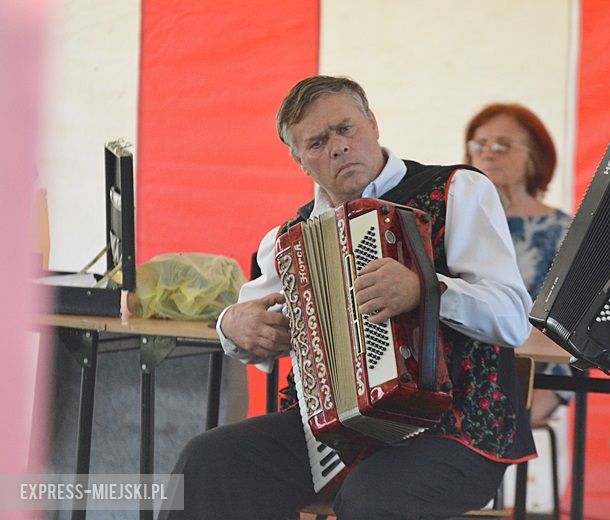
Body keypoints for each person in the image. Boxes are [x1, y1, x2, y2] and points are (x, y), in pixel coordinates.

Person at [158, 76, 536, 520]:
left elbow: (512, 317)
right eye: (317, 142)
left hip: (453, 431)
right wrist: (232, 325)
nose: (337, 146)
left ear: (373, 124)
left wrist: (425, 290)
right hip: (331, 438)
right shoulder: (289, 240)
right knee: (210, 462)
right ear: (300, 160)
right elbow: (247, 326)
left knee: (372, 497)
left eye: (346, 128)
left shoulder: (456, 191)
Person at [463, 103, 572, 426]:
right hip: (459, 385)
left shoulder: (564, 233)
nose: (488, 154)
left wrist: (543, 400)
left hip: (537, 389)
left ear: (534, 157)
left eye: (503, 145)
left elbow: (571, 329)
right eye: (479, 145)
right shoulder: (455, 226)